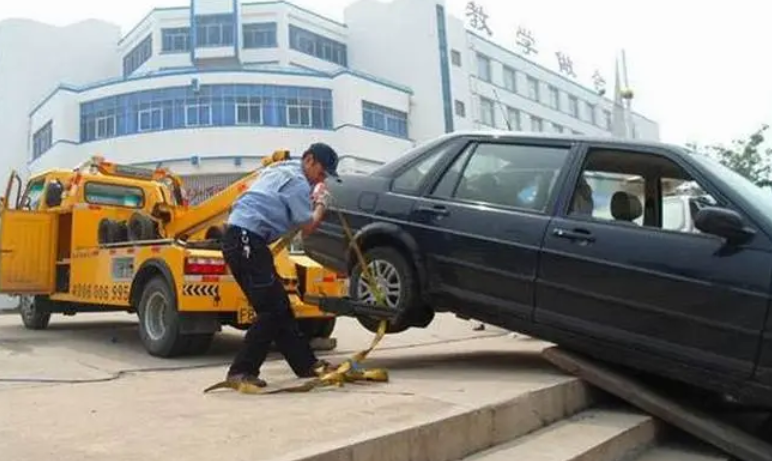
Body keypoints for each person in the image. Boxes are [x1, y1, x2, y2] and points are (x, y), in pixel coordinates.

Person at [221, 142, 340, 388]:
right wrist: (321, 205)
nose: (322, 179)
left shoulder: (281, 169)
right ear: (309, 160)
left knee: (281, 308)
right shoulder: (296, 182)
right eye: (321, 173)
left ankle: (306, 365)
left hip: (245, 240)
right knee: (271, 310)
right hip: (247, 240)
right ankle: (241, 371)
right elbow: (307, 227)